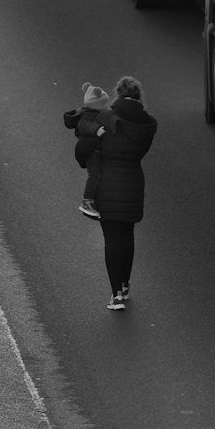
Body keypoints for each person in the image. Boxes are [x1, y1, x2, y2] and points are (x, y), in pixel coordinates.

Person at [75, 75, 157, 312]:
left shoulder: (106, 119)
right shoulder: (147, 126)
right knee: (127, 236)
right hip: (133, 183)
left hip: (107, 184)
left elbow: (83, 146)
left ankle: (116, 295)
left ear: (118, 94)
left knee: (112, 239)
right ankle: (125, 285)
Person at [63, 82, 109, 219]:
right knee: (95, 175)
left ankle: (92, 200)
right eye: (104, 104)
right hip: (92, 152)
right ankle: (87, 201)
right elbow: (84, 126)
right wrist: (97, 130)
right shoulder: (88, 115)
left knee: (96, 174)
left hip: (91, 150)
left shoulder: (88, 113)